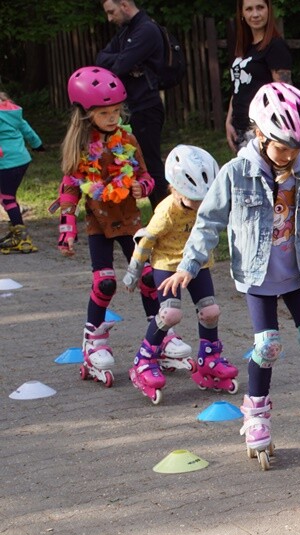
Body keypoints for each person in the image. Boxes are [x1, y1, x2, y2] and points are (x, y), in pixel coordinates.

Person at [163, 82, 300, 471]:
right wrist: (188, 265)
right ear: (260, 134)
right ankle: (256, 414)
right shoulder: (235, 173)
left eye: (298, 147)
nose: (291, 155)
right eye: (283, 146)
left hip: (298, 272)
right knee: (267, 346)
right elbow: (208, 221)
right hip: (259, 276)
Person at [56, 66, 159, 388]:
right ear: (87, 114)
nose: (113, 117)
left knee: (148, 276)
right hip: (99, 223)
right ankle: (94, 340)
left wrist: (144, 186)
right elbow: (70, 186)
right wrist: (66, 226)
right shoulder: (81, 147)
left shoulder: (126, 138)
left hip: (129, 218)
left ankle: (160, 336)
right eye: (105, 113)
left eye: (116, 111)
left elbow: (145, 174)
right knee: (105, 283)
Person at [122, 144, 239, 404]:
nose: (199, 206)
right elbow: (146, 240)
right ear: (175, 188)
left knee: (210, 311)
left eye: (203, 200)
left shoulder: (208, 205)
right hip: (167, 264)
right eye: (193, 200)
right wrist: (134, 271)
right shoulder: (166, 211)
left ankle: (209, 358)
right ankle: (143, 360)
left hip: (197, 264)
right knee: (170, 314)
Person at [97, 0, 167, 207]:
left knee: (151, 165)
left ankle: (165, 219)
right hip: (132, 108)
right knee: (131, 163)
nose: (110, 18)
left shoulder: (146, 30)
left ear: (125, 5)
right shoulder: (127, 31)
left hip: (146, 107)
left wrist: (124, 61)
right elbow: (101, 59)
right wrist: (125, 59)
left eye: (111, 12)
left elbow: (118, 67)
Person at [226, 0, 293, 153]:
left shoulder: (275, 46)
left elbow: (284, 94)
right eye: (249, 9)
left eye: (260, 8)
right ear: (242, 13)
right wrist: (229, 121)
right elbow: (238, 86)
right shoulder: (245, 48)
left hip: (263, 131)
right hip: (240, 129)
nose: (255, 14)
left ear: (268, 10)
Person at [0, 90, 43, 254]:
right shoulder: (12, 113)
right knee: (6, 195)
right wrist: (38, 144)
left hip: (7, 161)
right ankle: (15, 229)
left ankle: (22, 237)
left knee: (7, 197)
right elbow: (27, 129)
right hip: (21, 159)